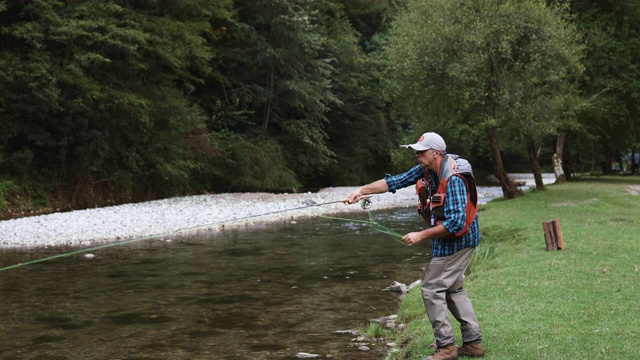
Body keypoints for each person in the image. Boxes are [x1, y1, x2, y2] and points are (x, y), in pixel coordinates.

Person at [343, 132, 484, 360]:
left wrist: (421, 235)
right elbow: (395, 181)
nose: (417, 155)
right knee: (453, 289)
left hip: (459, 240)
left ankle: (446, 348)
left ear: (436, 153)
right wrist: (361, 191)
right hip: (449, 239)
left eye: (421, 151)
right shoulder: (428, 169)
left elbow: (457, 223)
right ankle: (473, 343)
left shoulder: (454, 178)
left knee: (431, 288)